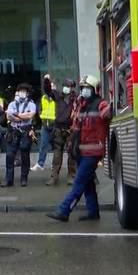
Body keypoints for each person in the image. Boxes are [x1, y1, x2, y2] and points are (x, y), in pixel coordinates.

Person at [48, 75, 112, 222]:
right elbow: (76, 126)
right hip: (81, 151)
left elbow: (106, 113)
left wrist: (112, 101)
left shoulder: (100, 104)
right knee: (88, 183)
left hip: (93, 151)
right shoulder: (81, 105)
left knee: (79, 183)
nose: (84, 91)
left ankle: (64, 211)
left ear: (94, 90)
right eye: (82, 88)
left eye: (87, 88)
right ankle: (93, 212)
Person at [43, 76, 77, 186]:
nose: (66, 88)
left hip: (70, 129)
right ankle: (54, 177)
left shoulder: (76, 99)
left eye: (68, 86)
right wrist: (46, 81)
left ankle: (71, 176)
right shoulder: (58, 96)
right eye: (65, 86)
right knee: (57, 154)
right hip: (58, 129)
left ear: (72, 88)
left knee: (72, 153)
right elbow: (48, 90)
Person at [3, 83, 37, 187]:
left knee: (24, 154)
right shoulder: (12, 104)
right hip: (13, 131)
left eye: (24, 91)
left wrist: (16, 115)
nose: (22, 93)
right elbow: (8, 116)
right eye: (20, 91)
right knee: (9, 155)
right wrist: (22, 116)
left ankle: (24, 178)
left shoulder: (31, 104)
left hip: (25, 131)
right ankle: (9, 180)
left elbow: (30, 115)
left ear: (27, 93)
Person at [32, 76, 57, 172]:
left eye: (52, 85)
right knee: (43, 144)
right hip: (45, 124)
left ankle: (54, 165)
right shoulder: (43, 98)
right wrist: (42, 118)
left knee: (56, 146)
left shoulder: (57, 98)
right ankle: (40, 163)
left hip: (54, 124)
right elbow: (40, 109)